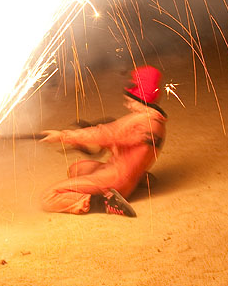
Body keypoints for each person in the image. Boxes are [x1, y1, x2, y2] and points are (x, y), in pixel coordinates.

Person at [39, 65, 167, 217]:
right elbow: (119, 140)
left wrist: (61, 136)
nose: (127, 105)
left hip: (115, 180)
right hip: (125, 176)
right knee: (76, 169)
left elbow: (104, 134)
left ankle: (104, 203)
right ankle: (139, 179)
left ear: (141, 99)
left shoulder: (140, 121)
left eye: (130, 101)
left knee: (49, 196)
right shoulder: (157, 122)